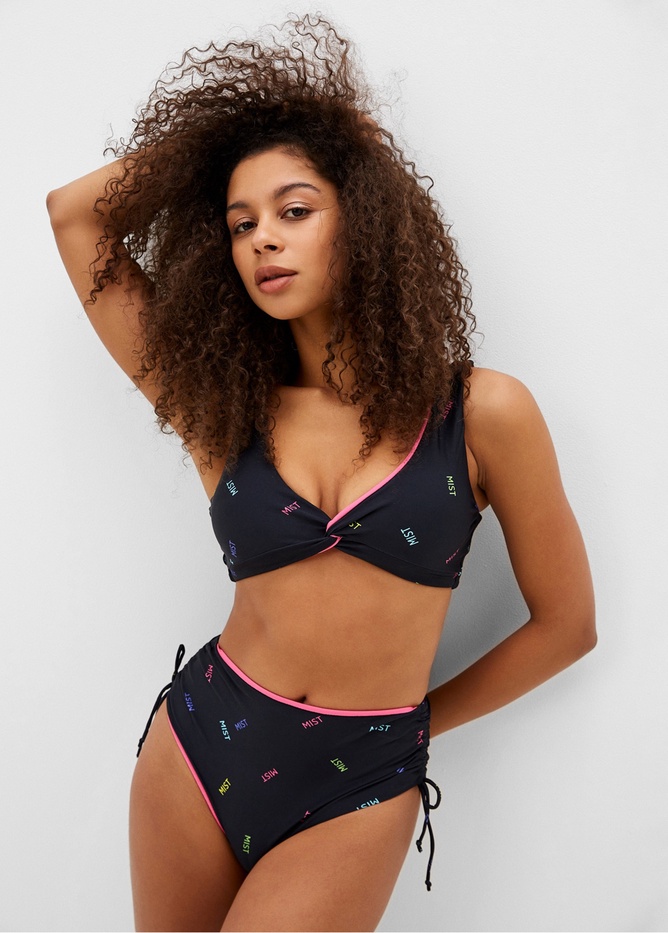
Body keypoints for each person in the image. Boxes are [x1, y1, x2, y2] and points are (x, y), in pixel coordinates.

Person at [46, 15, 595, 932]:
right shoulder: (221, 405)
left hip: (360, 781)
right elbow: (77, 216)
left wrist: (414, 726)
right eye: (242, 223)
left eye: (295, 210)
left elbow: (568, 625)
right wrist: (230, 136)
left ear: (363, 213)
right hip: (201, 747)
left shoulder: (482, 413)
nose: (264, 238)